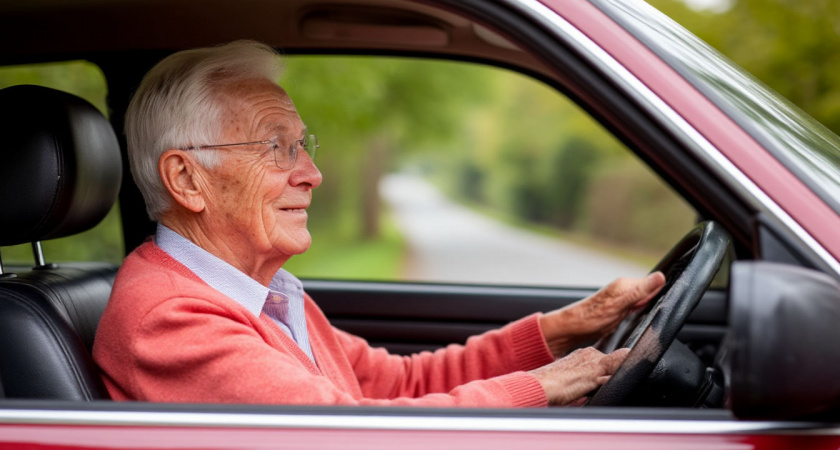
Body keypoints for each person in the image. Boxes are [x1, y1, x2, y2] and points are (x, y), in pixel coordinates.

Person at [93, 40, 666, 407]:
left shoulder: (260, 295)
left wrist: (570, 326)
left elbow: (401, 386)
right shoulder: (168, 318)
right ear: (188, 180)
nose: (313, 174)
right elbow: (351, 435)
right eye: (277, 148)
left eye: (303, 146)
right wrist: (541, 388)